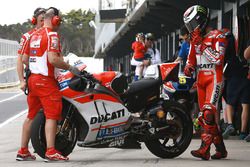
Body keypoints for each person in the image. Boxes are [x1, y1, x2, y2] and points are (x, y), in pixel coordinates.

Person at [16, 7, 81, 162]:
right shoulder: (52, 35)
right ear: (55, 20)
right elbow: (53, 59)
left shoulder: (32, 36)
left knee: (31, 115)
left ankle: (23, 151)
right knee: (52, 115)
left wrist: (36, 66)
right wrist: (69, 67)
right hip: (46, 82)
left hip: (33, 80)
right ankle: (51, 151)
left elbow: (24, 59)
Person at [183, 5, 227, 160]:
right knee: (204, 118)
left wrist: (201, 44)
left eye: (192, 25)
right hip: (200, 80)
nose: (191, 29)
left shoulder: (219, 35)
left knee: (208, 113)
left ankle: (204, 149)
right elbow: (191, 59)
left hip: (214, 78)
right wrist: (188, 67)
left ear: (200, 20)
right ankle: (221, 149)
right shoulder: (194, 40)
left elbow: (218, 59)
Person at [222, 33, 250, 141]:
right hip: (245, 75)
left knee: (230, 103)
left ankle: (230, 124)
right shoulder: (244, 40)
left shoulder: (228, 40)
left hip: (233, 75)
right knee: (246, 105)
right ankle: (243, 132)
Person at [17, 7, 46, 92]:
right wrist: (22, 81)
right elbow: (20, 59)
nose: (44, 23)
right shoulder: (27, 36)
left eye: (45, 20)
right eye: (41, 20)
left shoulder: (51, 35)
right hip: (34, 78)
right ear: (34, 21)